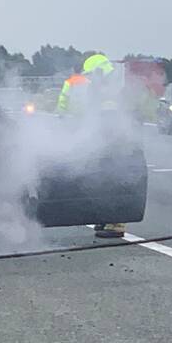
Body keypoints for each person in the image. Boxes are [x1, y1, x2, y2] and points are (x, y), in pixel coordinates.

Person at [60, 53, 130, 239]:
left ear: (99, 72)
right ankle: (106, 219)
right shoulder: (112, 85)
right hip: (108, 142)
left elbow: (106, 117)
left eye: (91, 74)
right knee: (103, 180)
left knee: (113, 180)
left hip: (112, 143)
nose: (88, 79)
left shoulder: (107, 89)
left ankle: (115, 223)